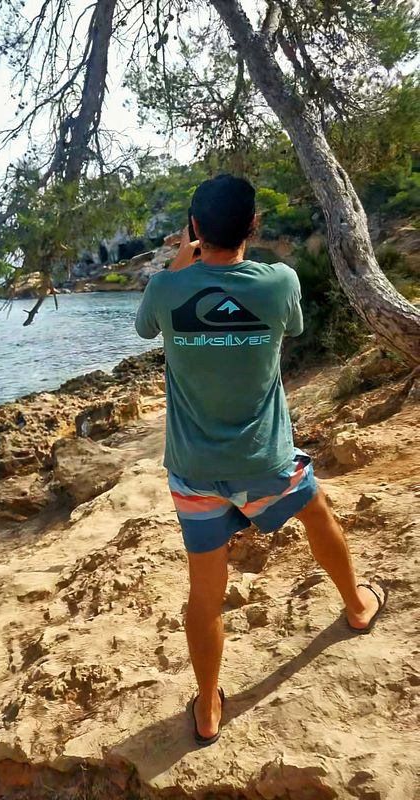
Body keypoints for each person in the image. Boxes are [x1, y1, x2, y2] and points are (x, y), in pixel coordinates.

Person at [134, 174, 387, 747]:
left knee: (205, 591)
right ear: (254, 225)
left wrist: (181, 258)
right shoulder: (279, 282)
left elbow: (148, 325)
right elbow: (292, 327)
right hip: (266, 462)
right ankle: (356, 607)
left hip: (195, 472)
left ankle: (206, 707)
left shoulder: (164, 291)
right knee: (318, 513)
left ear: (195, 229)